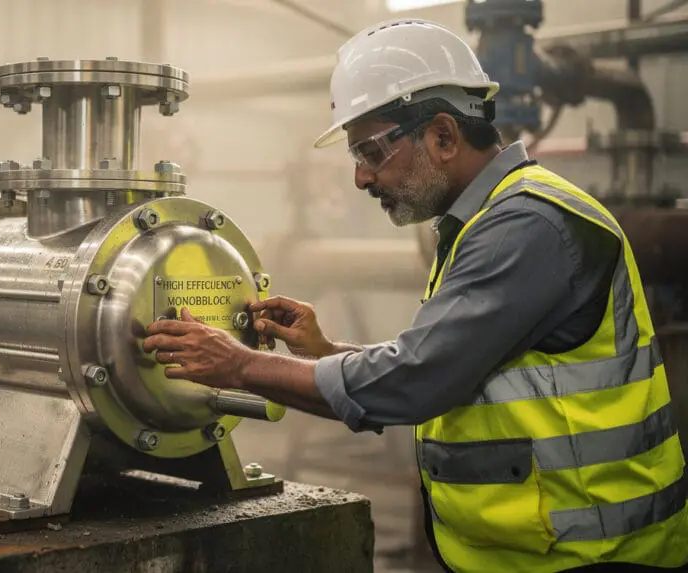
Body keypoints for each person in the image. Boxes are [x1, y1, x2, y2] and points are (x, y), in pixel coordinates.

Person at [142, 18, 688, 573]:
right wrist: (325, 351)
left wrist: (236, 365)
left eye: (371, 152)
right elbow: (452, 369)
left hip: (596, 557)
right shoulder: (486, 221)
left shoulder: (528, 226)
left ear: (444, 136)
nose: (360, 178)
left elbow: (416, 380)